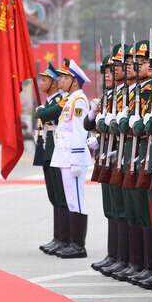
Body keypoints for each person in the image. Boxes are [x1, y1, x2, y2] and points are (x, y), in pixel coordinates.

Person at [51, 59, 92, 258]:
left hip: (73, 156)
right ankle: (72, 243)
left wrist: (76, 158)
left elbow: (79, 131)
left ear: (74, 81)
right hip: (65, 155)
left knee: (77, 200)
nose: (60, 80)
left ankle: (78, 245)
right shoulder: (70, 100)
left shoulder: (79, 101)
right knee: (71, 200)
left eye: (64, 77)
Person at [35, 62, 69, 255]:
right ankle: (58, 237)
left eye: (45, 80)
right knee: (54, 196)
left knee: (61, 196)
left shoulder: (60, 101)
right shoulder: (50, 101)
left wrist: (41, 112)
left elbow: (49, 114)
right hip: (48, 151)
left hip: (58, 151)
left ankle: (65, 238)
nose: (41, 83)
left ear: (54, 83)